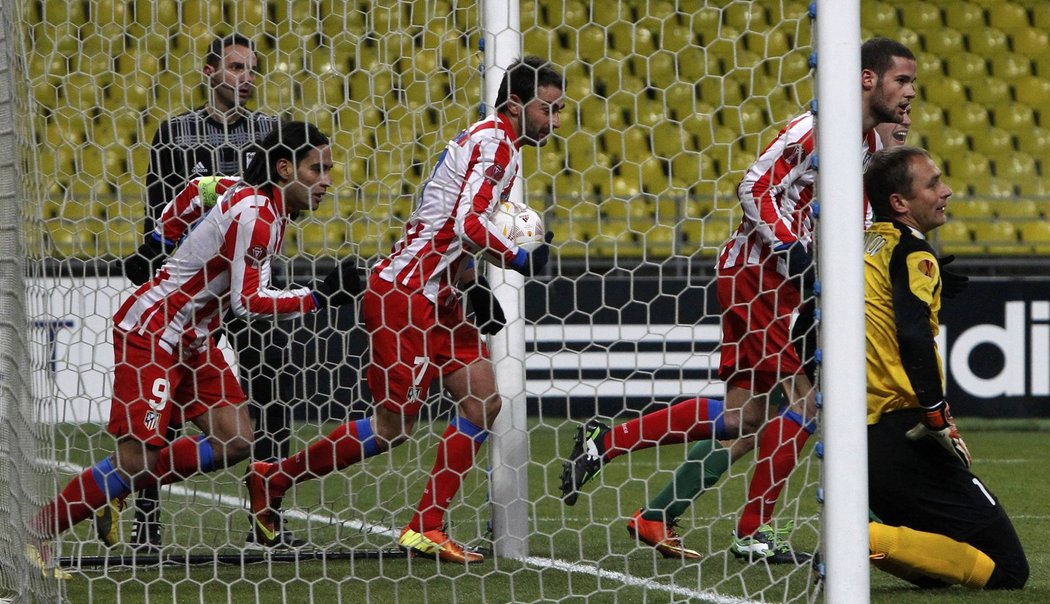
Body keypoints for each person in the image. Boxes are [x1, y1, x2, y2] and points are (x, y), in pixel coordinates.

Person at [560, 37, 917, 563]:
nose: (910, 93)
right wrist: (789, 248)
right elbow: (753, 186)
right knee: (806, 401)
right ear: (868, 79)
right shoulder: (816, 127)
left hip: (774, 279)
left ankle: (605, 444)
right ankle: (753, 530)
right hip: (761, 273)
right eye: (902, 81)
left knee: (743, 418)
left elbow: (855, 219)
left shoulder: (864, 145)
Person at [243, 56, 562, 564]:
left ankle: (425, 525)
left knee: (483, 400)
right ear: (517, 104)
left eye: (560, 110)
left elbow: (443, 219)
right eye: (548, 109)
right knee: (393, 429)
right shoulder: (495, 142)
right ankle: (273, 478)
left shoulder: (493, 142)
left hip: (442, 294)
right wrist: (521, 257)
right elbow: (465, 223)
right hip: (405, 297)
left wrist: (468, 278)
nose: (556, 121)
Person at [28, 122, 359, 578]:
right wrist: (319, 296)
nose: (327, 180)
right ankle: (37, 532)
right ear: (285, 169)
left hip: (195, 340)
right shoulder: (259, 217)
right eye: (317, 169)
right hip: (155, 331)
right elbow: (249, 301)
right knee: (135, 460)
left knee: (235, 439)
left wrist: (163, 235)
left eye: (329, 169)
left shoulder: (247, 194)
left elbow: (197, 188)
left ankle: (117, 485)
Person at [117, 33, 307, 551]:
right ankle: (146, 520)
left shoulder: (271, 130)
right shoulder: (175, 133)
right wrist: (153, 254)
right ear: (209, 71)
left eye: (252, 69)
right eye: (236, 67)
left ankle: (267, 518)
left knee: (272, 391)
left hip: (249, 282)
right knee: (170, 402)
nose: (246, 78)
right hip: (195, 288)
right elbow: (161, 206)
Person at [862, 146, 1028, 589]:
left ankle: (865, 536)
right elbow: (914, 334)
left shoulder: (862, 245)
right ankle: (858, 536)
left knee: (938, 568)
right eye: (932, 183)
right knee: (1010, 571)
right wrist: (935, 414)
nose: (946, 190)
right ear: (900, 203)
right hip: (906, 434)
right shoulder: (914, 254)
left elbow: (806, 321)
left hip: (861, 441)